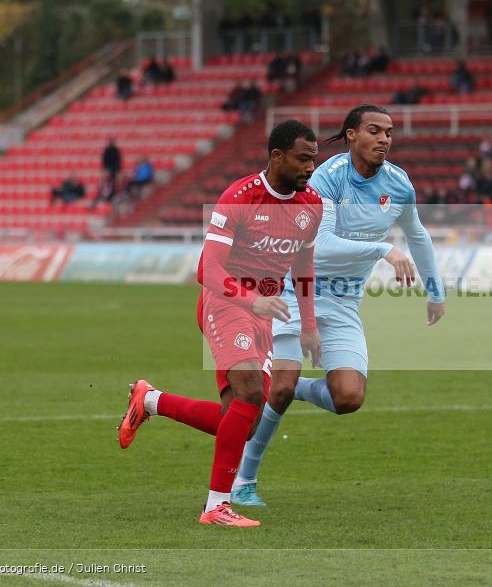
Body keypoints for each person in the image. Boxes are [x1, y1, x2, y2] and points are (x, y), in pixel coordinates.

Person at [230, 104, 446, 506]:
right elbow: (320, 247)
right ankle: (243, 479)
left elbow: (417, 235)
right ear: (351, 135)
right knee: (277, 389)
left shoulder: (399, 184)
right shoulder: (325, 180)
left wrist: (436, 291)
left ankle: (294, 388)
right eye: (374, 131)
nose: (384, 139)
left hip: (344, 302)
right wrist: (385, 249)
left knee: (348, 398)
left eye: (390, 132)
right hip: (296, 292)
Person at [117, 120, 323, 528]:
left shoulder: (311, 207)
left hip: (265, 311)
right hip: (226, 301)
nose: (310, 168)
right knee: (249, 392)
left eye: (314, 159)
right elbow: (207, 270)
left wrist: (309, 325)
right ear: (277, 156)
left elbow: (303, 266)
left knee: (241, 421)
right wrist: (251, 301)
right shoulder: (240, 197)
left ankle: (150, 401)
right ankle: (216, 506)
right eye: (303, 158)